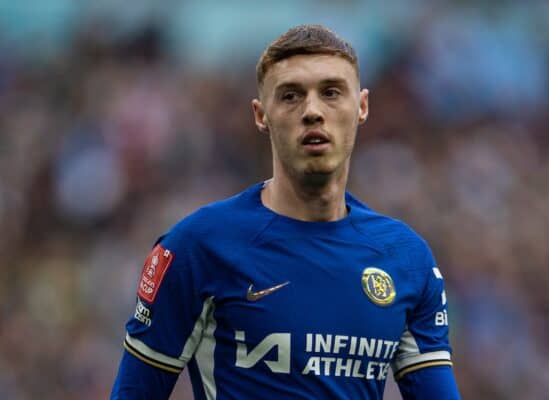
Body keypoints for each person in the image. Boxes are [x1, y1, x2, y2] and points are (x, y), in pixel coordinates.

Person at [111, 24, 461, 400]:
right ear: (262, 115)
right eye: (291, 96)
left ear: (361, 107)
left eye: (331, 92)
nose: (312, 111)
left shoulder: (406, 259)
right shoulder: (197, 247)